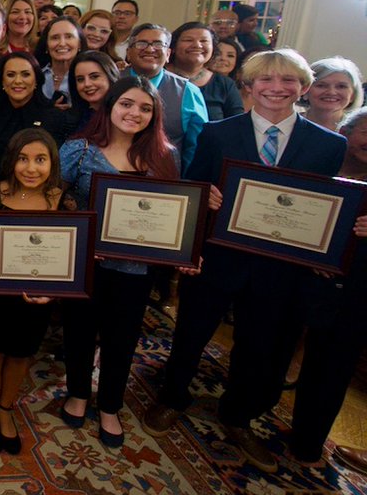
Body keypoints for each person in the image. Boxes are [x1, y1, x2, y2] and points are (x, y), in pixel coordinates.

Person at [143, 49, 348, 474]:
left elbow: (325, 207)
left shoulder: (329, 145)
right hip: (219, 256)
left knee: (258, 345)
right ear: (248, 87)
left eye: (288, 80)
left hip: (279, 266)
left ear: (303, 88)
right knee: (192, 332)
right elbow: (195, 183)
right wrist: (206, 196)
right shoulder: (219, 134)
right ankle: (172, 397)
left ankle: (236, 416)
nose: (277, 87)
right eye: (266, 79)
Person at [59, 78, 183, 448]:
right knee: (79, 330)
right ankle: (78, 392)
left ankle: (111, 404)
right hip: (84, 263)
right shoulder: (78, 150)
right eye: (127, 104)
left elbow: (172, 211)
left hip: (136, 268)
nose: (135, 113)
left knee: (122, 337)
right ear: (110, 106)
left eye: (146, 108)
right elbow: (53, 197)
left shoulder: (165, 154)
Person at [0, 128, 76, 454]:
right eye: (23, 159)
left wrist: (54, 294)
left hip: (38, 297)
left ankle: (6, 406)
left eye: (40, 160)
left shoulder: (64, 200)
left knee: (22, 351)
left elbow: (71, 257)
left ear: (52, 163)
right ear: (11, 161)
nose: (31, 168)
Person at [320, 109, 367, 472]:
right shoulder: (320, 156)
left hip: (356, 287)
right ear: (345, 131)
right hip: (303, 274)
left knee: (336, 363)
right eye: (364, 131)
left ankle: (310, 440)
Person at [0, 52, 73, 203]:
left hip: (38, 201)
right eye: (10, 75)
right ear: (2, 81)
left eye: (25, 75)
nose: (18, 81)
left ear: (36, 79)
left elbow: (56, 170)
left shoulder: (53, 117)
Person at [124, 23, 207, 170]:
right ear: (129, 53)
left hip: (164, 179)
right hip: (109, 174)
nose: (150, 49)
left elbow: (197, 146)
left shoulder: (188, 92)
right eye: (141, 43)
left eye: (158, 44)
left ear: (168, 54)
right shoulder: (110, 82)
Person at [166, 22, 242, 121]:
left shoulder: (224, 84)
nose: (197, 45)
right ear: (173, 47)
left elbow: (237, 123)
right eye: (188, 40)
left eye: (204, 41)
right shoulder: (158, 75)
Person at [303, 56, 363, 131]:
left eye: (341, 86)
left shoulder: (361, 131)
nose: (331, 92)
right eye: (321, 85)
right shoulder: (288, 123)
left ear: (353, 95)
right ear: (305, 90)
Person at [67, 51, 120, 128]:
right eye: (80, 79)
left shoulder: (125, 117)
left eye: (94, 77)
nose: (87, 84)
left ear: (110, 76)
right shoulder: (70, 122)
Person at [39, 16, 81, 106]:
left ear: (79, 44)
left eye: (69, 37)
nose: (62, 43)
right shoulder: (35, 75)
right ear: (46, 45)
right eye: (55, 38)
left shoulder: (88, 78)